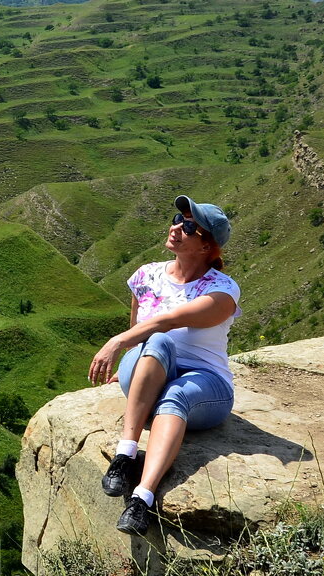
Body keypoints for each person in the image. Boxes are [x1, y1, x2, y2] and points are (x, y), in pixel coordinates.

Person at [88, 195, 240, 535]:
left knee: (174, 389)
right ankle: (125, 455)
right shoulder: (146, 275)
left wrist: (116, 343)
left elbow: (166, 320)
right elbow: (138, 330)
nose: (176, 228)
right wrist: (126, 367)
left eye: (189, 227)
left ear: (207, 247)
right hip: (149, 370)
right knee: (154, 344)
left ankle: (143, 496)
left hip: (205, 385)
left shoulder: (222, 292)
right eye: (177, 218)